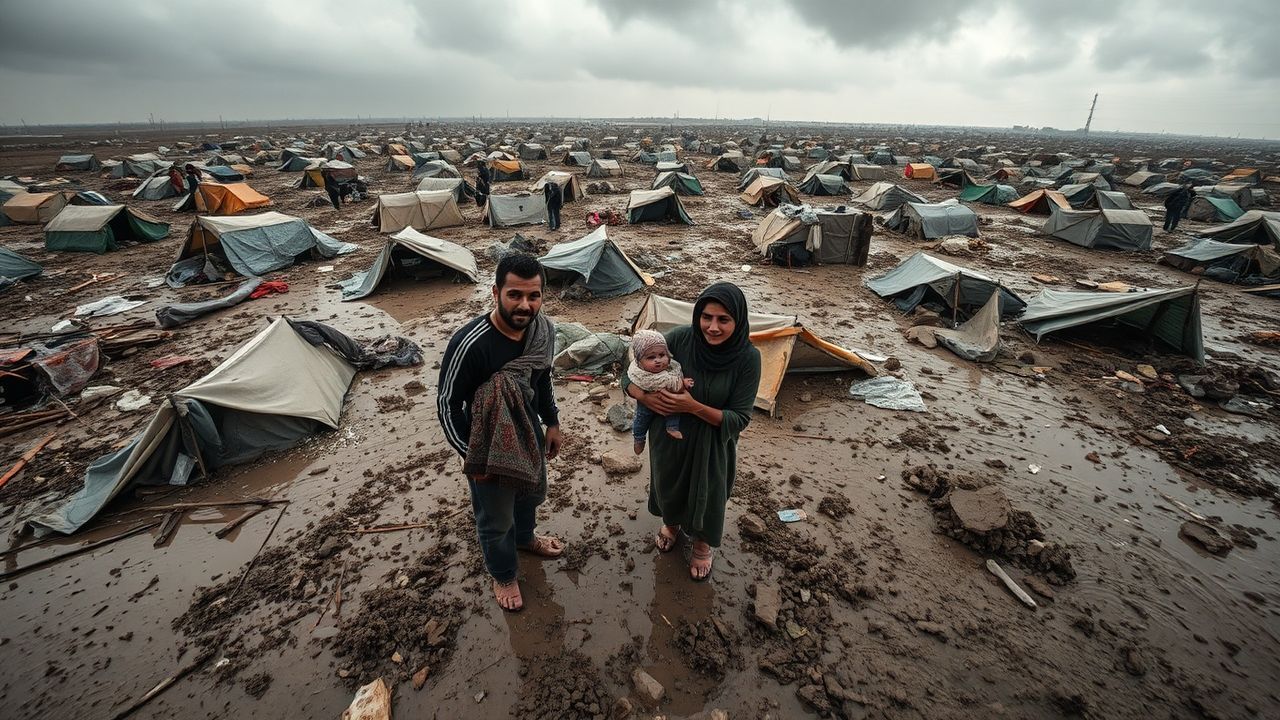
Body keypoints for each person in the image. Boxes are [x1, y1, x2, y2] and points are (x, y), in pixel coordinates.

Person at [437, 253, 565, 611]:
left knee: (529, 496)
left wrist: (552, 422)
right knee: (496, 519)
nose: (525, 305)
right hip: (486, 443)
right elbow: (447, 405)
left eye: (534, 296)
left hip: (528, 429)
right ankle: (504, 574)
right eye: (515, 295)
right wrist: (472, 457)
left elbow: (542, 378)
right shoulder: (470, 343)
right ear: (496, 293)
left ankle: (524, 539)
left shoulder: (542, 332)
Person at [623, 282, 761, 581]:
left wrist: (692, 406)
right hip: (668, 438)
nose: (713, 327)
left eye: (723, 319)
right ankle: (671, 525)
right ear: (697, 315)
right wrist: (644, 397)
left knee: (709, 494)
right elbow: (630, 373)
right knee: (669, 485)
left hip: (713, 444)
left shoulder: (748, 358)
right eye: (706, 317)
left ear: (738, 320)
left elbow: (739, 418)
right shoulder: (679, 339)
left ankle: (701, 544)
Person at [627, 329, 694, 455]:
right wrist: (639, 394)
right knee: (641, 419)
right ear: (639, 362)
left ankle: (672, 428)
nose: (658, 360)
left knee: (673, 412)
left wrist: (684, 383)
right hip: (647, 406)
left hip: (673, 403)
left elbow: (675, 382)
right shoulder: (640, 373)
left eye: (662, 355)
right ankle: (639, 439)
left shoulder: (672, 368)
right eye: (651, 357)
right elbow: (628, 377)